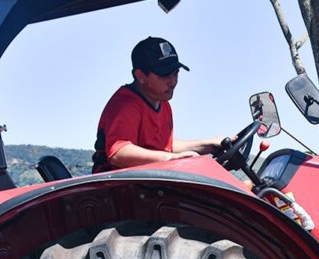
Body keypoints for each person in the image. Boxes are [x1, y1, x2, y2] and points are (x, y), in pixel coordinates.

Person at [92, 36, 223, 173]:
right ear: (141, 76)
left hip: (148, 185)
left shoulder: (162, 103)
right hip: (115, 189)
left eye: (176, 73)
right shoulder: (126, 104)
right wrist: (171, 159)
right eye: (165, 75)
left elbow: (165, 145)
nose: (173, 82)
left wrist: (210, 144)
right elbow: (119, 153)